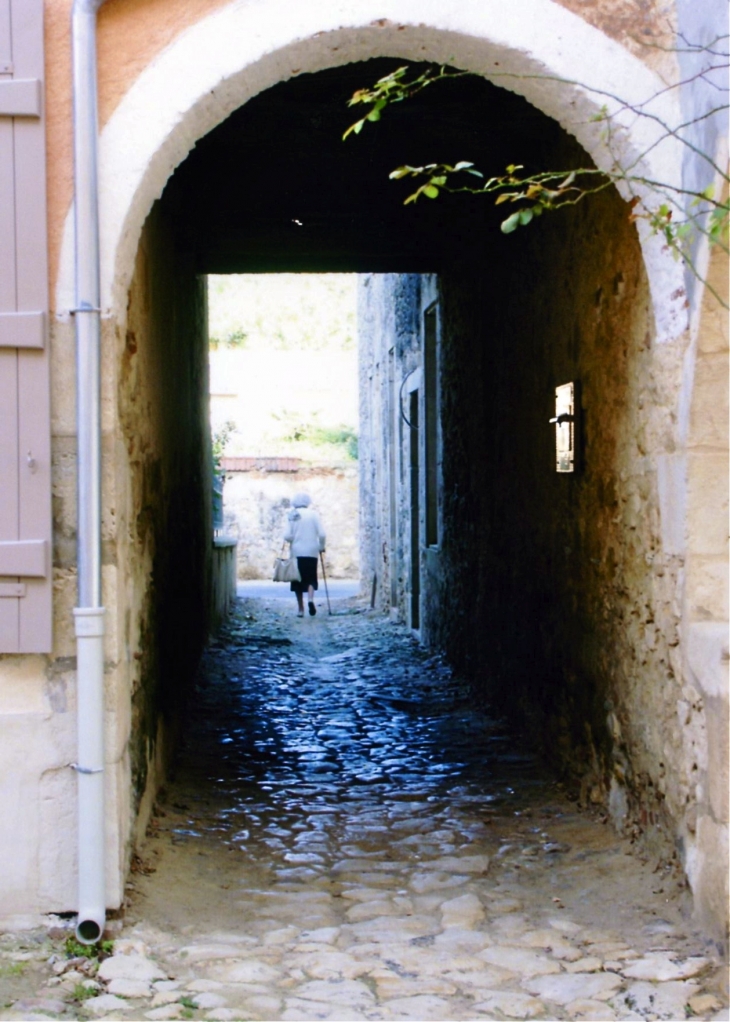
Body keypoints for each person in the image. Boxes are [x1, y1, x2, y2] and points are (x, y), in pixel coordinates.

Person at [283, 493, 326, 617]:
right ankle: (311, 600)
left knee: (297, 580)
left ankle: (301, 609)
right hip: (312, 551)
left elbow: (287, 536)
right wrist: (321, 547)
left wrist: (294, 538)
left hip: (297, 551)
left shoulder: (292, 515)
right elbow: (322, 534)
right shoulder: (314, 514)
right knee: (311, 577)